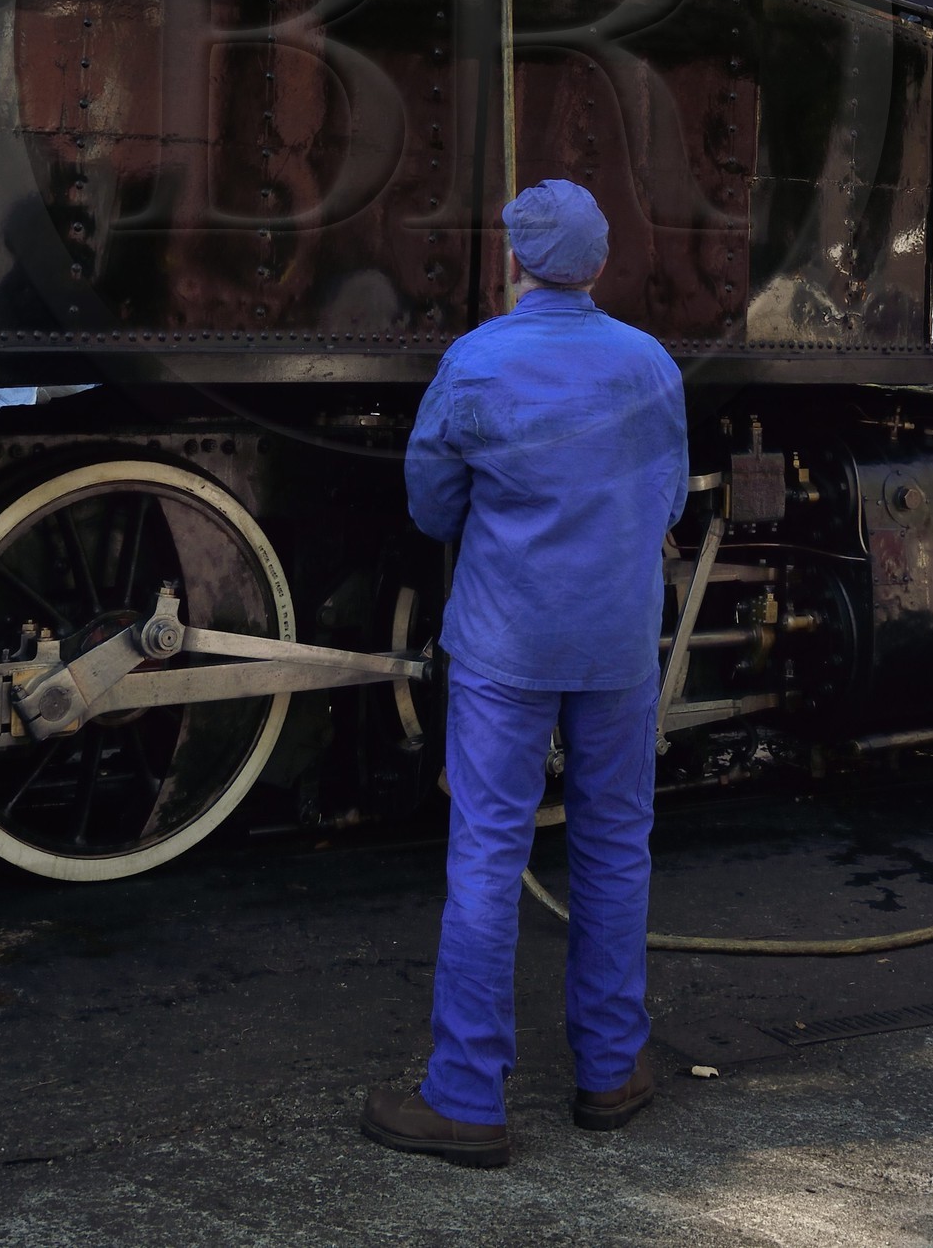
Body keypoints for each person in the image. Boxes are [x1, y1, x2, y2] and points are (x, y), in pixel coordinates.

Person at [361, 179, 690, 1168]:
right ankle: (609, 1070)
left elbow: (430, 501)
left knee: (487, 857)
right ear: (598, 263)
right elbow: (666, 495)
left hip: (507, 644)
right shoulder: (650, 365)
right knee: (614, 848)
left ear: (515, 262)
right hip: (617, 646)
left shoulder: (475, 362)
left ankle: (465, 1095)